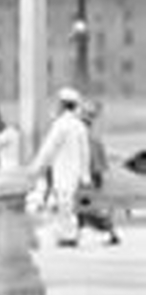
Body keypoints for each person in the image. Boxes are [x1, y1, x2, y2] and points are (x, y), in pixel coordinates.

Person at [30, 87, 94, 248]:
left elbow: (48, 149)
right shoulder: (79, 125)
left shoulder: (61, 125)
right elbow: (85, 152)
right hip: (74, 172)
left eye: (58, 103)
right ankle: (66, 234)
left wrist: (35, 168)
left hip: (63, 171)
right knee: (65, 203)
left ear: (63, 105)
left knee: (64, 203)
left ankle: (68, 235)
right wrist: (85, 175)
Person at [75, 99, 120, 246]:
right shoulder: (91, 137)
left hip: (90, 177)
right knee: (83, 207)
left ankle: (111, 232)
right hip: (89, 176)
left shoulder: (90, 138)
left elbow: (97, 164)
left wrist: (96, 178)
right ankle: (79, 232)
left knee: (89, 208)